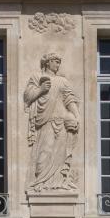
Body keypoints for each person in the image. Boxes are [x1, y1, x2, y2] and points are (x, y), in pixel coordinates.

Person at [24, 51, 80, 191]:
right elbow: (28, 97)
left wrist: (76, 115)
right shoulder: (37, 77)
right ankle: (40, 182)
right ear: (47, 62)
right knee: (45, 151)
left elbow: (69, 99)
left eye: (59, 62)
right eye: (55, 61)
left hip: (61, 120)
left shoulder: (62, 80)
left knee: (61, 153)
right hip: (46, 120)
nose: (58, 64)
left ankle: (59, 182)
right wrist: (41, 90)